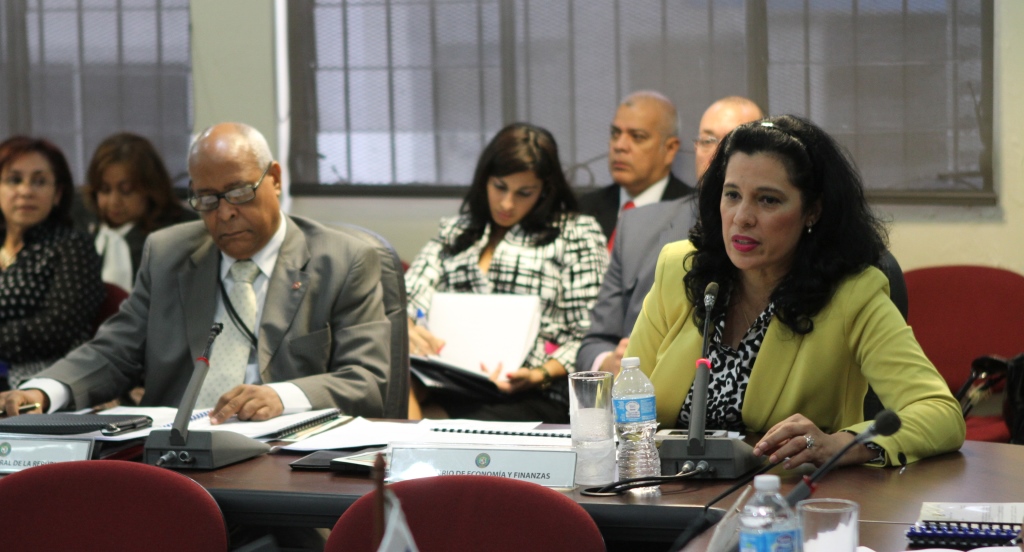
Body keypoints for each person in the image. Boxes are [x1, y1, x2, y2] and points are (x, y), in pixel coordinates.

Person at [625, 115, 965, 468]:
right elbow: (626, 399)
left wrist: (843, 444)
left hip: (783, 489)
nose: (742, 217)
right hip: (667, 486)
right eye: (732, 195)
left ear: (812, 211)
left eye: (768, 200)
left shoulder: (851, 295)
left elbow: (940, 412)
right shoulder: (682, 271)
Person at [0, 122, 391, 423]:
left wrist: (282, 396)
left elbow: (367, 379)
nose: (225, 213)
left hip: (285, 455)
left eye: (239, 192)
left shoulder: (343, 260)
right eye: (207, 199)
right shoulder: (168, 254)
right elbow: (115, 351)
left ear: (274, 179)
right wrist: (43, 391)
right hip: (176, 454)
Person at [405, 123, 607, 423]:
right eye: (499, 187)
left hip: (534, 389)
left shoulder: (575, 234)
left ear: (544, 191)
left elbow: (589, 332)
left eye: (524, 192)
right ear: (484, 179)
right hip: (451, 379)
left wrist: (539, 374)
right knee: (396, 379)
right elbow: (408, 295)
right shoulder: (457, 231)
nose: (507, 203)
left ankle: (408, 448)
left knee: (427, 417)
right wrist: (408, 326)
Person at [578, 96, 763, 375]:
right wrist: (608, 362)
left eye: (733, 142)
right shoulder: (636, 226)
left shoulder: (776, 235)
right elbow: (593, 343)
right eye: (708, 141)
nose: (718, 154)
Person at [0, 137, 105, 392]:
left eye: (39, 181)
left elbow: (58, 327)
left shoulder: (72, 245)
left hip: (46, 380)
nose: (26, 191)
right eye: (14, 180)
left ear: (57, 194)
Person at [83, 132, 196, 291]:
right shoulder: (85, 230)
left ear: (150, 188)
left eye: (126, 190)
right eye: (105, 190)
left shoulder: (180, 234)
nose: (114, 201)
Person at [578, 91, 692, 245]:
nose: (620, 146)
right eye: (615, 134)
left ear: (670, 149)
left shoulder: (693, 213)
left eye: (637, 136)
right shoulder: (584, 209)